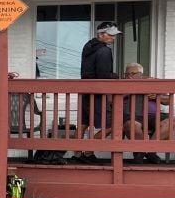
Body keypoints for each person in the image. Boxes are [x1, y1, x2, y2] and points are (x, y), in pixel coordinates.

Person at [72, 22, 121, 164]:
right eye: (110, 34)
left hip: (85, 91)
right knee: (113, 124)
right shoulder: (104, 51)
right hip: (98, 93)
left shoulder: (88, 46)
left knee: (83, 123)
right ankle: (88, 151)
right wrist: (115, 76)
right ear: (101, 34)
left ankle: (77, 153)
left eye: (114, 35)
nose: (113, 38)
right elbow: (104, 76)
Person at [124, 62, 170, 164]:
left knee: (171, 121)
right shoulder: (122, 85)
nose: (129, 76)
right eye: (127, 74)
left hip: (154, 115)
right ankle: (141, 152)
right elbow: (112, 100)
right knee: (131, 124)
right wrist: (135, 88)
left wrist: (158, 96)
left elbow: (168, 100)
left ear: (140, 74)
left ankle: (149, 151)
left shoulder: (152, 82)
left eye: (132, 73)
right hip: (133, 115)